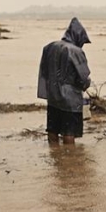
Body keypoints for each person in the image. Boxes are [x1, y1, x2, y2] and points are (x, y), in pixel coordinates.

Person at [38, 17, 91, 145]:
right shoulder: (76, 51)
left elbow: (44, 72)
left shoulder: (49, 47)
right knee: (69, 131)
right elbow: (83, 77)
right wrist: (85, 85)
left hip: (52, 97)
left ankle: (55, 156)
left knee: (53, 129)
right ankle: (69, 159)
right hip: (70, 101)